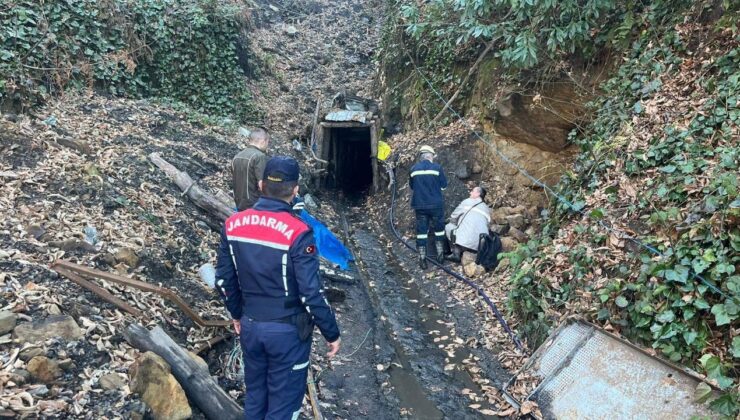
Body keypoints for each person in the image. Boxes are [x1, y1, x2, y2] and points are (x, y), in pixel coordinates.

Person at [215, 156, 341, 419]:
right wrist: (331, 332)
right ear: (295, 190)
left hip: (251, 324)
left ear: (261, 185)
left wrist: (237, 313)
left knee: (256, 400)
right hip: (287, 332)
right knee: (284, 408)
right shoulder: (299, 232)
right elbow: (311, 292)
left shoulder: (233, 224)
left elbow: (225, 280)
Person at [409, 145, 448, 269]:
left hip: (420, 205)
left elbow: (412, 186)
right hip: (436, 205)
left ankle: (422, 259)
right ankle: (440, 256)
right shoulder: (437, 168)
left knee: (421, 232)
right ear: (431, 156)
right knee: (439, 229)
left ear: (421, 157)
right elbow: (444, 186)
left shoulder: (413, 169)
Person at [444, 186, 491, 262]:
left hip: (464, 243)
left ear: (478, 194)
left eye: (472, 191)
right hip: (479, 246)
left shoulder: (467, 201)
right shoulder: (486, 209)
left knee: (448, 227)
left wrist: (454, 223)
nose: (470, 192)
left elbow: (453, 217)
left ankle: (455, 253)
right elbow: (488, 226)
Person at [232, 127, 270, 211]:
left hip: (239, 205)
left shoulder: (237, 156)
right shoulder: (259, 156)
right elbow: (261, 185)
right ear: (263, 141)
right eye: (267, 142)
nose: (267, 145)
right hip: (255, 205)